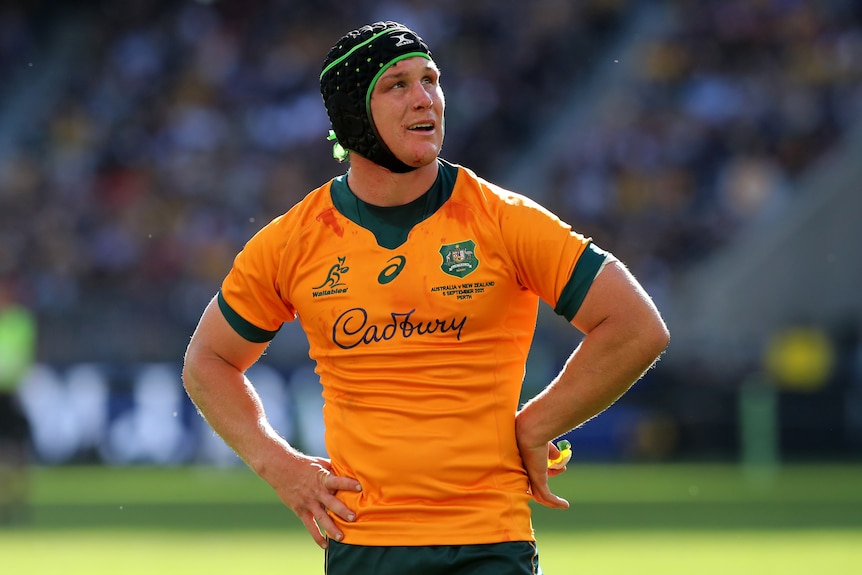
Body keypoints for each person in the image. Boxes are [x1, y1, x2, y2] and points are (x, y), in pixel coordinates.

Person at [182, 21, 669, 575]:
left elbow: (636, 327)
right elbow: (208, 363)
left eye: (431, 80)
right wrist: (280, 466)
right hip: (362, 546)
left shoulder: (502, 220)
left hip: (490, 544)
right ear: (354, 114)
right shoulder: (293, 241)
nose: (426, 99)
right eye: (397, 85)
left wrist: (535, 425)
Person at [0, 275, 37, 524]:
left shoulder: (20, 322)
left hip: (9, 393)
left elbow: (17, 360)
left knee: (17, 448)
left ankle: (15, 499)